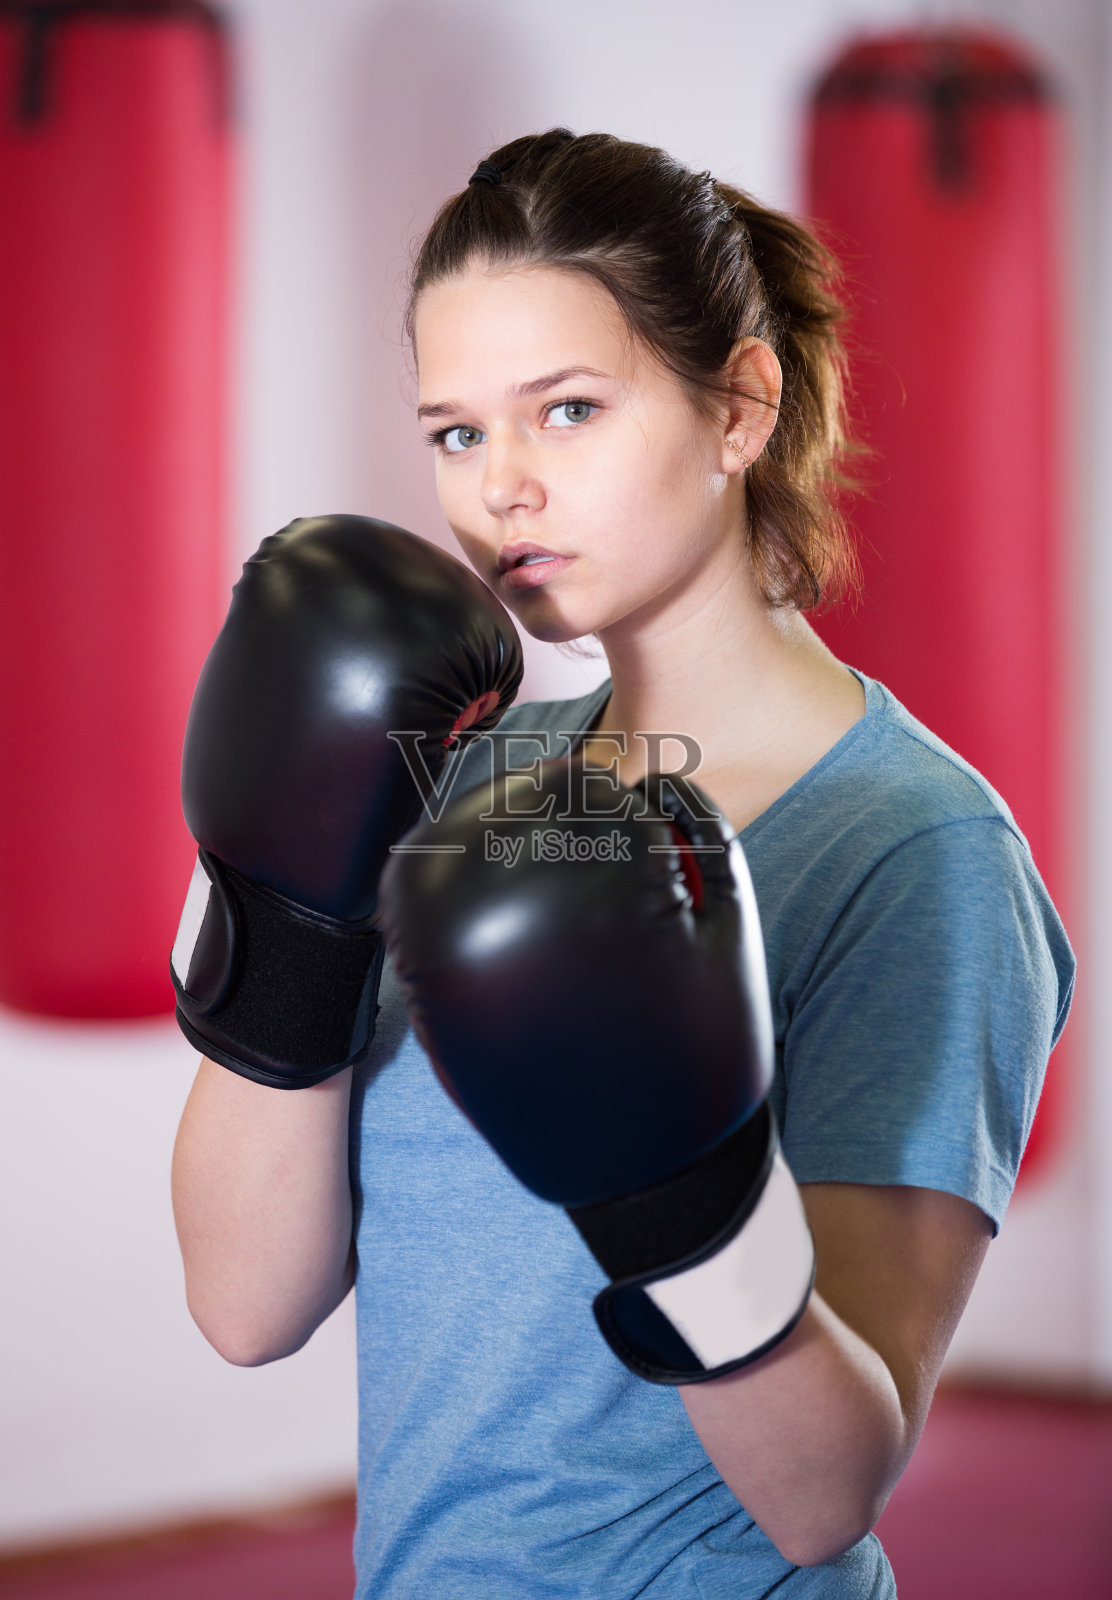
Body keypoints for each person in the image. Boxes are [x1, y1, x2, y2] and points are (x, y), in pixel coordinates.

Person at [171, 128, 1075, 1598]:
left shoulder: (916, 851)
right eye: (458, 433)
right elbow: (243, 1305)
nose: (501, 491)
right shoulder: (460, 778)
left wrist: (667, 1181)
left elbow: (823, 1494)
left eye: (569, 411)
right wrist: (285, 928)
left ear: (741, 407)